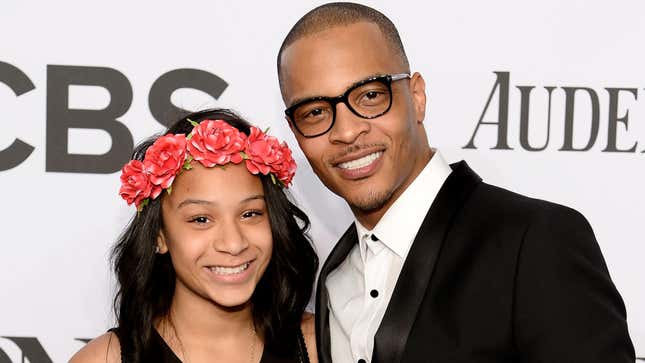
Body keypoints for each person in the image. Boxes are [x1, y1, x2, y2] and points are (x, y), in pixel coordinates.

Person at [276, 2, 635, 363]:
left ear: (416, 97)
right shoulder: (332, 280)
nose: (347, 131)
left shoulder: (535, 240)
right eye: (315, 112)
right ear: (296, 132)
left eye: (370, 96)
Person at [70, 109, 319, 363]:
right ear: (159, 235)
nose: (233, 244)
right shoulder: (106, 359)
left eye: (250, 214)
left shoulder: (319, 343)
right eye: (201, 219)